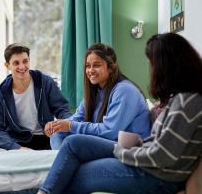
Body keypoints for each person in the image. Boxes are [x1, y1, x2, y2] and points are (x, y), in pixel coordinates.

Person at [37, 33, 202, 194]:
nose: (151, 69)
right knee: (66, 141)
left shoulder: (186, 101)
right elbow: (158, 145)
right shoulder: (178, 99)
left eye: (152, 63)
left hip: (158, 176)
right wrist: (59, 125)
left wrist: (122, 152)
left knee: (73, 173)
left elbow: (162, 156)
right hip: (145, 162)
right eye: (88, 65)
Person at [0, 43, 72, 166]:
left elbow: (62, 109)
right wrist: (18, 149)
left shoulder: (45, 83)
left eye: (25, 61)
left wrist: (61, 124)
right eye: (16, 63)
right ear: (7, 66)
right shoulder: (0, 95)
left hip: (45, 138)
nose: (22, 66)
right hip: (16, 141)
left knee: (61, 159)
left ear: (29, 61)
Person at [46, 43, 151, 149]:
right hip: (109, 142)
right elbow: (77, 118)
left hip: (128, 149)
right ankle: (62, 162)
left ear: (110, 68)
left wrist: (70, 126)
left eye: (96, 65)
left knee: (73, 141)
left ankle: (63, 162)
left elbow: (110, 131)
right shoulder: (96, 92)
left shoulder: (125, 90)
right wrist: (57, 125)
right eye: (88, 66)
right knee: (57, 134)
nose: (91, 70)